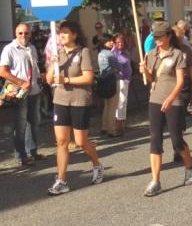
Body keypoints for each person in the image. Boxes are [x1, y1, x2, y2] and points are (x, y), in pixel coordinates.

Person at [139, 21, 192, 197]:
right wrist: (144, 71)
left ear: (168, 36)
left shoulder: (178, 54)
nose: (156, 39)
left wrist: (171, 98)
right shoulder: (150, 55)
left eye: (159, 36)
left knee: (176, 140)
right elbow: (151, 79)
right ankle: (155, 181)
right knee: (155, 139)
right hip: (155, 99)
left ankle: (190, 167)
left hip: (175, 100)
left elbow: (180, 81)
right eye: (154, 36)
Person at [46, 20, 103, 195]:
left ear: (74, 35)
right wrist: (52, 64)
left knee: (80, 142)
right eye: (60, 33)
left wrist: (67, 80)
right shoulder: (58, 53)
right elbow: (49, 80)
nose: (61, 36)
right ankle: (62, 180)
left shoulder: (83, 52)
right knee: (62, 141)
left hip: (79, 101)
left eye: (65, 32)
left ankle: (97, 164)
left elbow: (88, 78)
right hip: (60, 100)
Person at [0, 23, 46, 166]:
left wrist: (41, 79)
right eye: (20, 33)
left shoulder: (31, 48)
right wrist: (20, 82)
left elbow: (35, 68)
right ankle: (21, 156)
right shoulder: (10, 49)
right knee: (21, 126)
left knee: (35, 123)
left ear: (30, 34)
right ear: (16, 34)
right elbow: (3, 72)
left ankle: (33, 151)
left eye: (26, 33)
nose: (23, 36)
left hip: (35, 91)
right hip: (20, 93)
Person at [98, 34, 121, 137]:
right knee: (112, 106)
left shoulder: (100, 53)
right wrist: (116, 68)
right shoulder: (110, 55)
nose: (112, 42)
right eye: (110, 41)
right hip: (112, 80)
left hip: (104, 81)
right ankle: (111, 130)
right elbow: (118, 67)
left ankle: (104, 127)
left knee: (107, 105)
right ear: (104, 42)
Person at [112, 33, 132, 133]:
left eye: (122, 42)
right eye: (118, 42)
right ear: (114, 43)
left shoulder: (124, 52)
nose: (120, 44)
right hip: (120, 80)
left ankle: (123, 123)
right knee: (120, 101)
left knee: (124, 102)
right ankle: (118, 124)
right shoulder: (114, 53)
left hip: (126, 79)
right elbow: (114, 67)